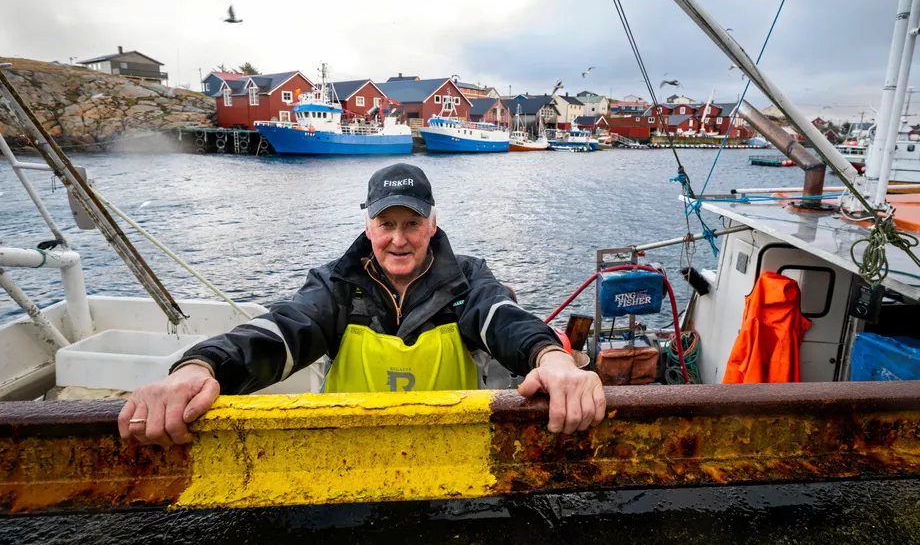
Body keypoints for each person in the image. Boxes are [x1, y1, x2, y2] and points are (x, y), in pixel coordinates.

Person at [119, 163, 605, 446]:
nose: (398, 239)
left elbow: (502, 318)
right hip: (347, 450)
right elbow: (283, 331)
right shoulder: (335, 285)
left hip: (456, 448)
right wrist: (199, 366)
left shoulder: (468, 279)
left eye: (411, 224)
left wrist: (553, 358)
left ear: (431, 225)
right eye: (385, 224)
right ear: (368, 225)